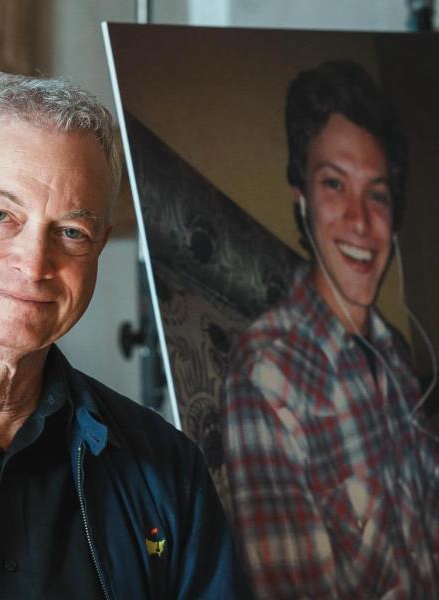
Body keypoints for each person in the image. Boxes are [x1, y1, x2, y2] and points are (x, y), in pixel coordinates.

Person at [0, 72, 249, 599]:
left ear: (99, 248)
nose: (34, 265)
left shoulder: (167, 472)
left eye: (71, 232)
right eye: (0, 215)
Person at [222, 60, 439, 598]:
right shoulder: (265, 377)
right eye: (334, 184)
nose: (361, 221)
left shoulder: (392, 350)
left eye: (378, 194)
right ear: (302, 201)